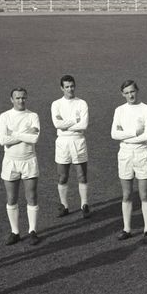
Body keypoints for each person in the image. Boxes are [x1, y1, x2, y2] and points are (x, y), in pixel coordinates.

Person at [111, 79, 147, 243]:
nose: (130, 95)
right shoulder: (119, 110)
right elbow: (114, 134)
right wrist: (135, 131)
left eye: (132, 91)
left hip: (142, 153)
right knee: (127, 194)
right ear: (123, 94)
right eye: (127, 92)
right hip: (125, 154)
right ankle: (127, 228)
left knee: (144, 194)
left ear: (137, 91)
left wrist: (125, 133)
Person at [0, 87, 41, 246]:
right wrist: (24, 134)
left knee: (31, 197)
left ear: (26, 98)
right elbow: (2, 140)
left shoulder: (33, 115)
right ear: (11, 99)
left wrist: (13, 134)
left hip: (29, 160)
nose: (20, 100)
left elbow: (34, 138)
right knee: (11, 198)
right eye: (17, 98)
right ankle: (15, 231)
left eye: (23, 98)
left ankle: (32, 231)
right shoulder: (4, 116)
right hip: (10, 162)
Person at [51, 74, 90, 218]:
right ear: (62, 88)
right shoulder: (56, 104)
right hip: (62, 143)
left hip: (78, 141)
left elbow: (84, 125)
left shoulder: (82, 103)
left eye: (72, 86)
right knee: (63, 176)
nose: (70, 89)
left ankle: (84, 204)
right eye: (67, 87)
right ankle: (64, 205)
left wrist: (66, 124)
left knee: (82, 175)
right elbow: (57, 124)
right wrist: (75, 120)